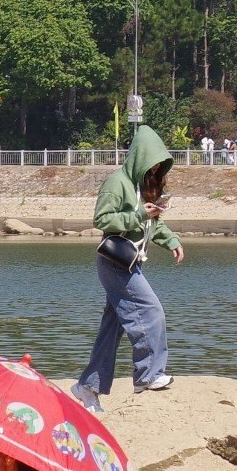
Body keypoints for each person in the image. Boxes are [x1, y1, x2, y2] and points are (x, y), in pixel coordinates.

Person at [74, 125, 182, 411]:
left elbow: (150, 225)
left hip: (132, 262)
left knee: (113, 328)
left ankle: (88, 386)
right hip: (115, 264)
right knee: (151, 312)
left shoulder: (140, 187)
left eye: (160, 167)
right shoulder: (117, 183)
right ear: (139, 158)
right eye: (152, 164)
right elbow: (102, 219)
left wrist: (170, 239)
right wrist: (137, 214)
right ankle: (148, 375)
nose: (155, 170)